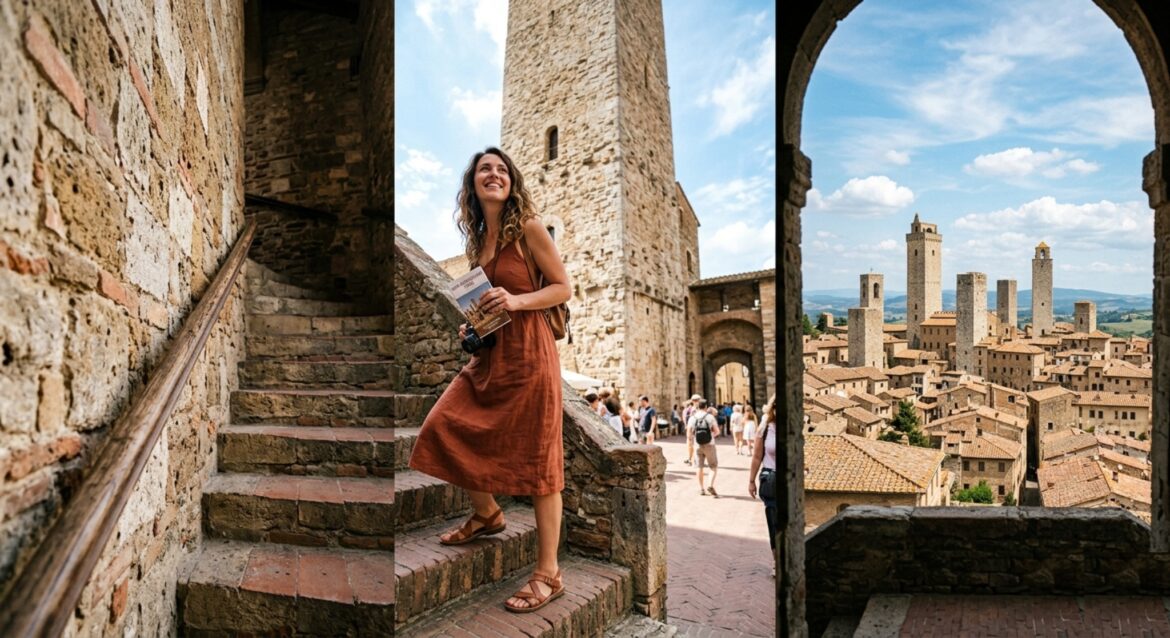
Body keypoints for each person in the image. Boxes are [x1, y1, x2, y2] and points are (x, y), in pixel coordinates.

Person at [409, 147, 571, 613]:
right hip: (492, 354)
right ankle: (487, 513)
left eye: (502, 170)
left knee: (541, 464)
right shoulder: (478, 244)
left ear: (511, 182)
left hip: (531, 355)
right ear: (473, 184)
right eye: (485, 169)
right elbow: (486, 305)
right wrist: (473, 327)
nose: (494, 174)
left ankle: (548, 573)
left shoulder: (530, 229)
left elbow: (562, 287)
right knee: (441, 425)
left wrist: (516, 301)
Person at [748, 395, 778, 578]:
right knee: (774, 522)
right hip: (771, 480)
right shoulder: (766, 425)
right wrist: (751, 480)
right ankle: (777, 561)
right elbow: (757, 456)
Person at [689, 401, 720, 497]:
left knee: (699, 467)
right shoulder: (710, 417)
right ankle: (710, 485)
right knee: (713, 466)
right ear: (706, 407)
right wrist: (710, 436)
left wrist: (692, 441)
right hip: (709, 444)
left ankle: (701, 489)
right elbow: (717, 431)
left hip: (697, 444)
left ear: (698, 407)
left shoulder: (692, 418)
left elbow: (689, 434)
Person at [682, 393, 701, 465]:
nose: (697, 402)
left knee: (697, 445)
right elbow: (685, 418)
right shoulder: (689, 409)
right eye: (695, 400)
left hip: (698, 429)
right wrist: (686, 425)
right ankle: (690, 458)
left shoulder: (701, 409)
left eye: (698, 400)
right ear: (693, 401)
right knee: (690, 444)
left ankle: (696, 459)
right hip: (691, 429)